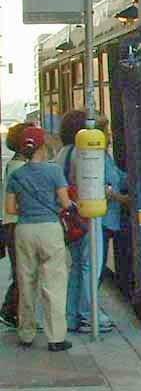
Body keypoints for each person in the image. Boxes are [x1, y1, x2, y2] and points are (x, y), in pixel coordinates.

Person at [4, 126, 73, 351]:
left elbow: (10, 208)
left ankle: (26, 333)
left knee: (26, 281)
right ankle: (56, 338)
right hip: (50, 229)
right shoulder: (54, 172)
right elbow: (65, 204)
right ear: (43, 146)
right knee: (54, 283)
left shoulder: (16, 174)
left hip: (24, 230)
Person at [56, 110, 113, 334]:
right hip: (86, 215)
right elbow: (90, 182)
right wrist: (107, 190)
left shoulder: (63, 151)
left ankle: (71, 316)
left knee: (77, 266)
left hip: (70, 219)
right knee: (91, 264)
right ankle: (89, 314)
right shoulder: (82, 151)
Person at [0, 122, 34, 328]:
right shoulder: (20, 168)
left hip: (11, 224)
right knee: (23, 272)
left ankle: (11, 309)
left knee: (21, 271)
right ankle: (11, 310)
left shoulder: (13, 164)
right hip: (16, 224)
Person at [97, 116, 128, 285]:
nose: (110, 136)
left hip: (107, 220)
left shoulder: (105, 156)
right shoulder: (94, 157)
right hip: (99, 221)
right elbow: (101, 189)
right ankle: (87, 310)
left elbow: (118, 177)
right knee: (96, 266)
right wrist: (123, 199)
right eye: (106, 133)